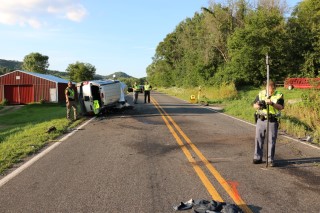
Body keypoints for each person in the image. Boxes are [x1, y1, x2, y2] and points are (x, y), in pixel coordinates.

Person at [252, 80, 284, 167]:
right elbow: (254, 105)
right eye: (267, 88)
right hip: (261, 119)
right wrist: (258, 105)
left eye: (270, 88)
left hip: (272, 120)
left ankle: (270, 160)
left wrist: (272, 103)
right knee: (258, 138)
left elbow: (281, 107)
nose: (269, 90)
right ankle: (257, 157)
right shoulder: (261, 93)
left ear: (274, 87)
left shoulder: (279, 95)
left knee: (271, 141)